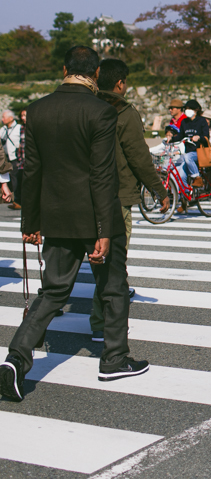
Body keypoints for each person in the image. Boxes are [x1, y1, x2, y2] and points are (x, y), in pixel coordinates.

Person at [1, 46, 149, 402]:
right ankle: (114, 358)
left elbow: (32, 171)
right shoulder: (101, 112)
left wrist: (30, 221)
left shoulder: (37, 111)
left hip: (55, 215)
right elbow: (102, 175)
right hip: (97, 215)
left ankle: (16, 358)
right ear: (96, 73)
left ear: (64, 69)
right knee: (113, 288)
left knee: (52, 293)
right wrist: (102, 230)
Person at [89, 59, 169, 342]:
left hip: (84, 195)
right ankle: (105, 323)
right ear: (120, 82)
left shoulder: (88, 106)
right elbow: (138, 157)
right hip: (117, 195)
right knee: (113, 261)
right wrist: (159, 190)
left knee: (94, 259)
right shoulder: (123, 111)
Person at [176, 99, 210, 189]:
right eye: (186, 108)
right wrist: (170, 139)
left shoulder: (201, 121)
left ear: (196, 110)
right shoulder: (184, 122)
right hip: (188, 152)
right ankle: (186, 197)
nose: (187, 110)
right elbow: (180, 136)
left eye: (190, 108)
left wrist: (199, 137)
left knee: (188, 157)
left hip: (199, 152)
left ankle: (197, 177)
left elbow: (206, 137)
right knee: (181, 175)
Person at [1, 110, 21, 209]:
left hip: (15, 158)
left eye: (4, 117)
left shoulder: (19, 128)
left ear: (11, 118)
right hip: (6, 158)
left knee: (15, 178)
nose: (2, 119)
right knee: (9, 179)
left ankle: (16, 199)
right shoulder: (3, 129)